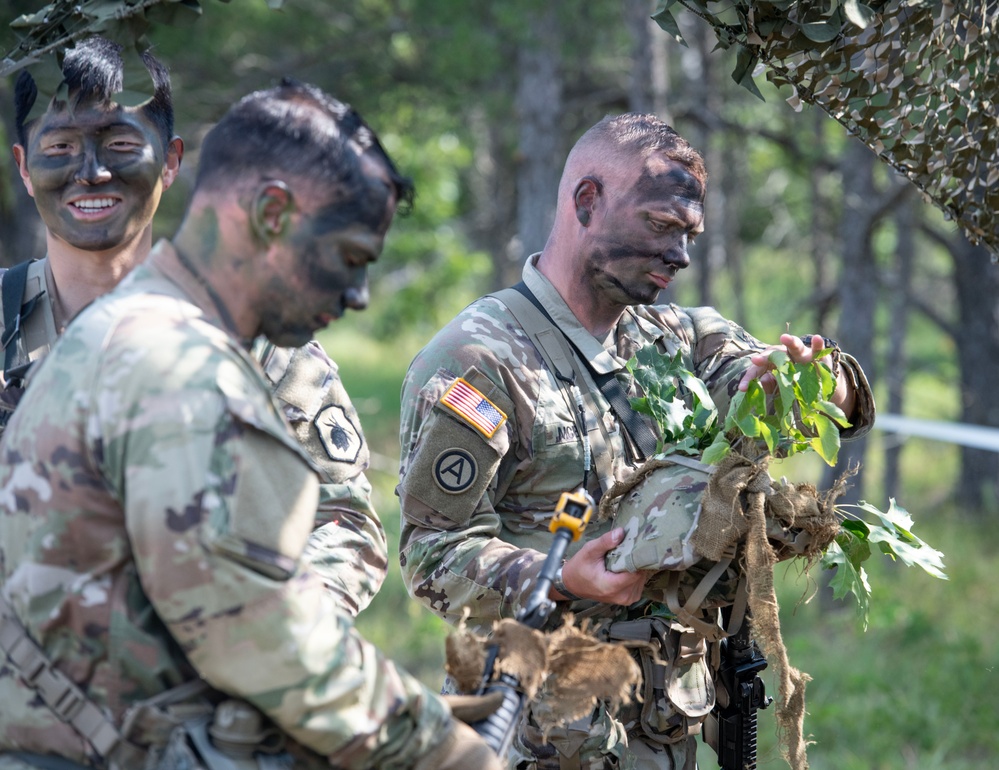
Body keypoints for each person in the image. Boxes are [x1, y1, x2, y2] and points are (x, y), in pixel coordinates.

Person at [0, 80, 502, 770]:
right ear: (271, 215)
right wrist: (442, 749)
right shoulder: (176, 368)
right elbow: (256, 633)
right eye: (348, 257)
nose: (356, 296)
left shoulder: (139, 331)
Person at [396, 113, 876, 769]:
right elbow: (431, 551)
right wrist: (559, 579)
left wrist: (813, 382)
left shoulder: (674, 339)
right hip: (539, 727)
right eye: (658, 226)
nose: (678, 255)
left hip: (663, 719)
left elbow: (763, 380)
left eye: (688, 235)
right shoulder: (479, 359)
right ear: (586, 202)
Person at [1, 36, 387, 617]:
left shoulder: (260, 341)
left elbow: (346, 523)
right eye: (60, 146)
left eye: (121, 143)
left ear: (172, 161)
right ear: (25, 168)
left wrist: (267, 635)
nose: (92, 172)